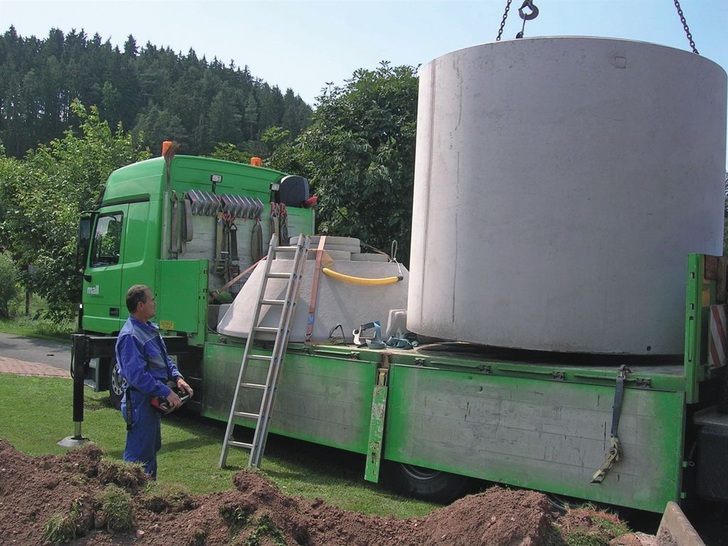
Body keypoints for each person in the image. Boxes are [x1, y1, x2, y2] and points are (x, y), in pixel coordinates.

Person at [115, 284, 193, 478]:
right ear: (141, 305)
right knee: (139, 454)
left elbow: (163, 359)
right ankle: (134, 496)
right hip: (140, 401)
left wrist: (177, 377)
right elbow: (137, 377)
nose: (155, 304)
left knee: (150, 447)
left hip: (150, 400)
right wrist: (166, 391)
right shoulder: (131, 336)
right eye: (152, 300)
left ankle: (147, 494)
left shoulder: (149, 329)